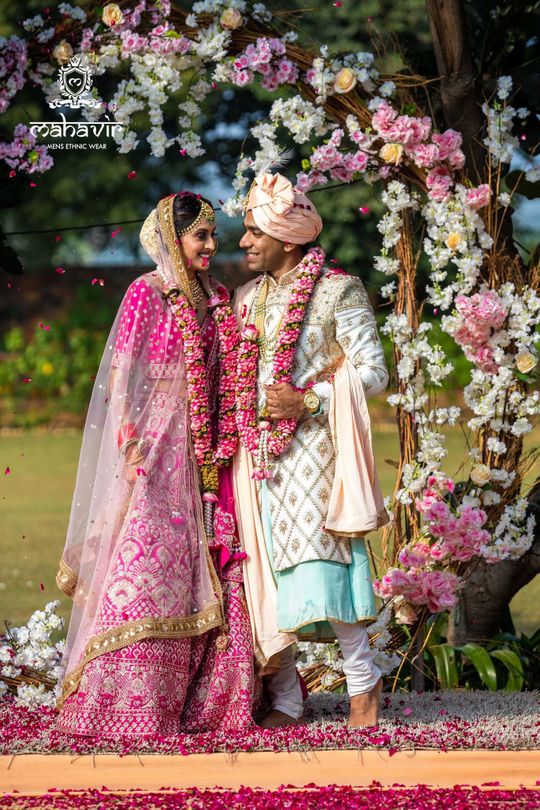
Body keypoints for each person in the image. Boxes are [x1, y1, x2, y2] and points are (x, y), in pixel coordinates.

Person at [55, 192, 253, 738]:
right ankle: (123, 698)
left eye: (214, 235)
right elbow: (122, 371)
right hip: (159, 436)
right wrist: (128, 438)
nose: (213, 246)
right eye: (201, 236)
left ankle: (198, 695)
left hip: (209, 441)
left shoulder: (216, 297)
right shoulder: (147, 291)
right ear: (172, 237)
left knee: (208, 556)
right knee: (148, 557)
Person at [232, 172, 390, 728]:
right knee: (267, 575)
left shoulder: (336, 290)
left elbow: (373, 372)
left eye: (254, 232)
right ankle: (288, 699)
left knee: (321, 565)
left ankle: (363, 685)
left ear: (288, 238)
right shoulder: (245, 298)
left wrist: (310, 401)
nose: (245, 243)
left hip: (316, 454)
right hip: (254, 456)